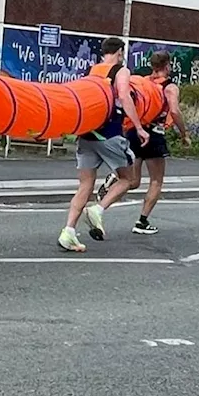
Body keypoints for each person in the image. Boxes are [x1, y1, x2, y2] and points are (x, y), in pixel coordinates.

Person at [58, 37, 148, 252]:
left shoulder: (91, 70)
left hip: (87, 134)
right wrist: (139, 126)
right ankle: (98, 209)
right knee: (129, 178)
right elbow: (125, 96)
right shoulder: (120, 70)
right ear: (119, 52)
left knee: (85, 184)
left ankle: (68, 231)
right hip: (109, 133)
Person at [100, 51, 190, 235]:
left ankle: (110, 186)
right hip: (154, 134)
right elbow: (174, 111)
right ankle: (142, 221)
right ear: (167, 66)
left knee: (132, 181)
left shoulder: (143, 82)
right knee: (156, 181)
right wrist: (184, 133)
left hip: (135, 130)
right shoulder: (169, 87)